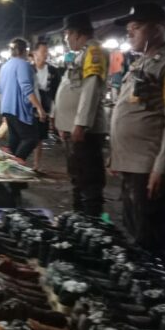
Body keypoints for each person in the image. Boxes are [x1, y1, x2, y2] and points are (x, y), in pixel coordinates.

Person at [110, 3, 165, 267]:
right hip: (132, 163)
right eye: (129, 29)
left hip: (149, 165)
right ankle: (141, 285)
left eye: (136, 27)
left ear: (158, 28)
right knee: (136, 229)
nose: (130, 33)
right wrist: (116, 156)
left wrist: (164, 167)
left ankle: (158, 295)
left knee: (151, 237)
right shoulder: (142, 61)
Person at [53, 13, 108, 216]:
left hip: (86, 132)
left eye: (67, 34)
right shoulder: (80, 53)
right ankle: (79, 220)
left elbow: (91, 88)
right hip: (73, 128)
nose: (66, 39)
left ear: (77, 33)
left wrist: (81, 124)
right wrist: (57, 116)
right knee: (78, 177)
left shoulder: (94, 51)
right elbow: (69, 86)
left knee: (89, 181)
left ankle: (92, 225)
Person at [0, 38, 47, 160]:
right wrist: (39, 108)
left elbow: (0, 89)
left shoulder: (4, 66)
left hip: (7, 110)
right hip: (18, 110)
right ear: (24, 50)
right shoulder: (23, 65)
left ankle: (9, 173)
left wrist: (2, 110)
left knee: (14, 142)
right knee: (31, 139)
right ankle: (15, 165)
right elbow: (26, 88)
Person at [31, 41, 62, 171]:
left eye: (46, 52)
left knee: (39, 138)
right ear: (35, 53)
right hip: (30, 106)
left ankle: (36, 165)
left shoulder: (53, 71)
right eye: (43, 51)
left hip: (46, 106)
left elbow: (57, 93)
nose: (46, 54)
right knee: (28, 136)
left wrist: (54, 113)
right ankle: (19, 160)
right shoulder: (28, 69)